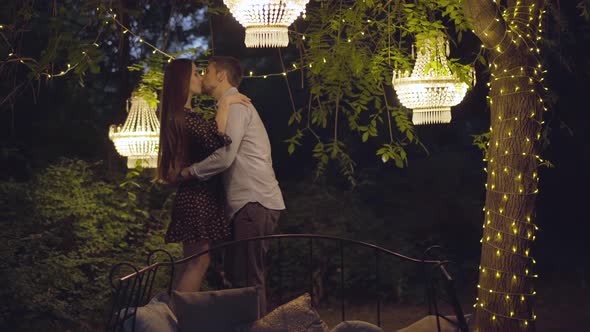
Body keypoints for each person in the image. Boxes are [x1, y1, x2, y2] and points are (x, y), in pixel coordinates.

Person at [179, 56, 285, 315]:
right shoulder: (229, 106)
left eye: (207, 71)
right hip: (250, 203)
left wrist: (188, 173)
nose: (203, 76)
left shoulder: (237, 107)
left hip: (254, 201)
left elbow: (225, 156)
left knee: (249, 282)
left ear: (221, 76)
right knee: (242, 281)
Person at [157, 58, 251, 292]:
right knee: (199, 261)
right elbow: (215, 140)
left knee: (194, 262)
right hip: (197, 197)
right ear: (183, 81)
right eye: (195, 74)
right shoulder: (185, 117)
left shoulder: (181, 115)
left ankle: (176, 315)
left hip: (194, 196)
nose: (200, 77)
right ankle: (178, 316)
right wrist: (225, 104)